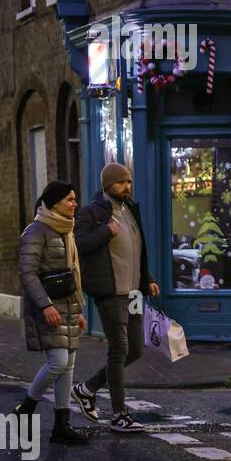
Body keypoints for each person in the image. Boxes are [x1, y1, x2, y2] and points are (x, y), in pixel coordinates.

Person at [71, 162, 160, 432]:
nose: (127, 187)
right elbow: (79, 245)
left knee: (135, 350)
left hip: (133, 291)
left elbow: (137, 250)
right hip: (110, 291)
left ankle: (87, 389)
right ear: (108, 185)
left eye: (129, 182)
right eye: (122, 182)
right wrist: (105, 232)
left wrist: (148, 279)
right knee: (119, 348)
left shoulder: (131, 209)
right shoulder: (91, 212)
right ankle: (120, 415)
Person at [13, 181, 88, 445]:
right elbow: (28, 273)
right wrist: (45, 305)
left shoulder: (67, 230)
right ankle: (25, 409)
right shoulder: (36, 231)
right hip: (47, 307)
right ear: (54, 202)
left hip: (68, 307)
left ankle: (61, 426)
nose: (74, 204)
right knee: (57, 362)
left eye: (74, 199)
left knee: (68, 367)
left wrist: (78, 309)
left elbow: (72, 274)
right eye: (69, 199)